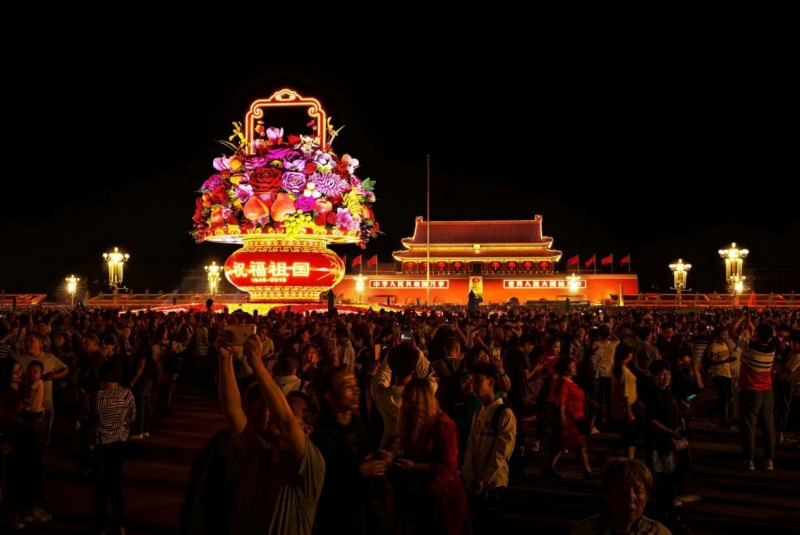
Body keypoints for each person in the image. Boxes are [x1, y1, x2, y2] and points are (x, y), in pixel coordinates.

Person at [217, 332, 325, 534]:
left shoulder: (311, 466)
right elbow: (233, 412)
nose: (277, 413)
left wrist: (257, 364)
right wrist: (225, 359)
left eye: (290, 411)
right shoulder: (258, 453)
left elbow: (286, 423)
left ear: (307, 429)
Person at [390, 377, 470, 535]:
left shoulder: (443, 425)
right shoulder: (411, 423)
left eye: (412, 401)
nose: (407, 406)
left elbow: (447, 467)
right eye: (406, 401)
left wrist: (414, 467)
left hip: (443, 501)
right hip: (422, 498)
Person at [79, 360, 136, 535]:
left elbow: (83, 418)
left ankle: (100, 527)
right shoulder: (126, 394)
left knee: (100, 489)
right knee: (116, 486)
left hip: (99, 446)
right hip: (119, 443)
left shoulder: (93, 397)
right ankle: (120, 524)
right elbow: (132, 417)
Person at [572, 458, 671, 535]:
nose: (631, 497)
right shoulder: (586, 531)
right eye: (623, 491)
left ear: (646, 497)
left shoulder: (659, 532)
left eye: (637, 491)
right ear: (607, 494)